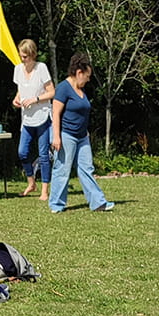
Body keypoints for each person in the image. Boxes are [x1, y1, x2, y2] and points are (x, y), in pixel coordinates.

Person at [49, 52, 113, 214]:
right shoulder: (63, 88)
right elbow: (55, 113)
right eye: (87, 76)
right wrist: (56, 137)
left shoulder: (81, 91)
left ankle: (98, 202)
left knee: (86, 168)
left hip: (82, 136)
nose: (88, 79)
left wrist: (86, 132)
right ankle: (56, 204)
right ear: (79, 73)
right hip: (66, 135)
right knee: (62, 169)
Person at [13, 39, 54, 201]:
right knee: (22, 152)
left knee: (43, 154)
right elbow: (20, 90)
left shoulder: (41, 68)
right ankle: (31, 183)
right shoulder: (17, 70)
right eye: (21, 56)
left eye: (25, 57)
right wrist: (16, 99)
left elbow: (52, 92)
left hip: (43, 116)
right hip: (27, 119)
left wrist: (35, 99)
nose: (23, 60)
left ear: (32, 55)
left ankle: (45, 190)